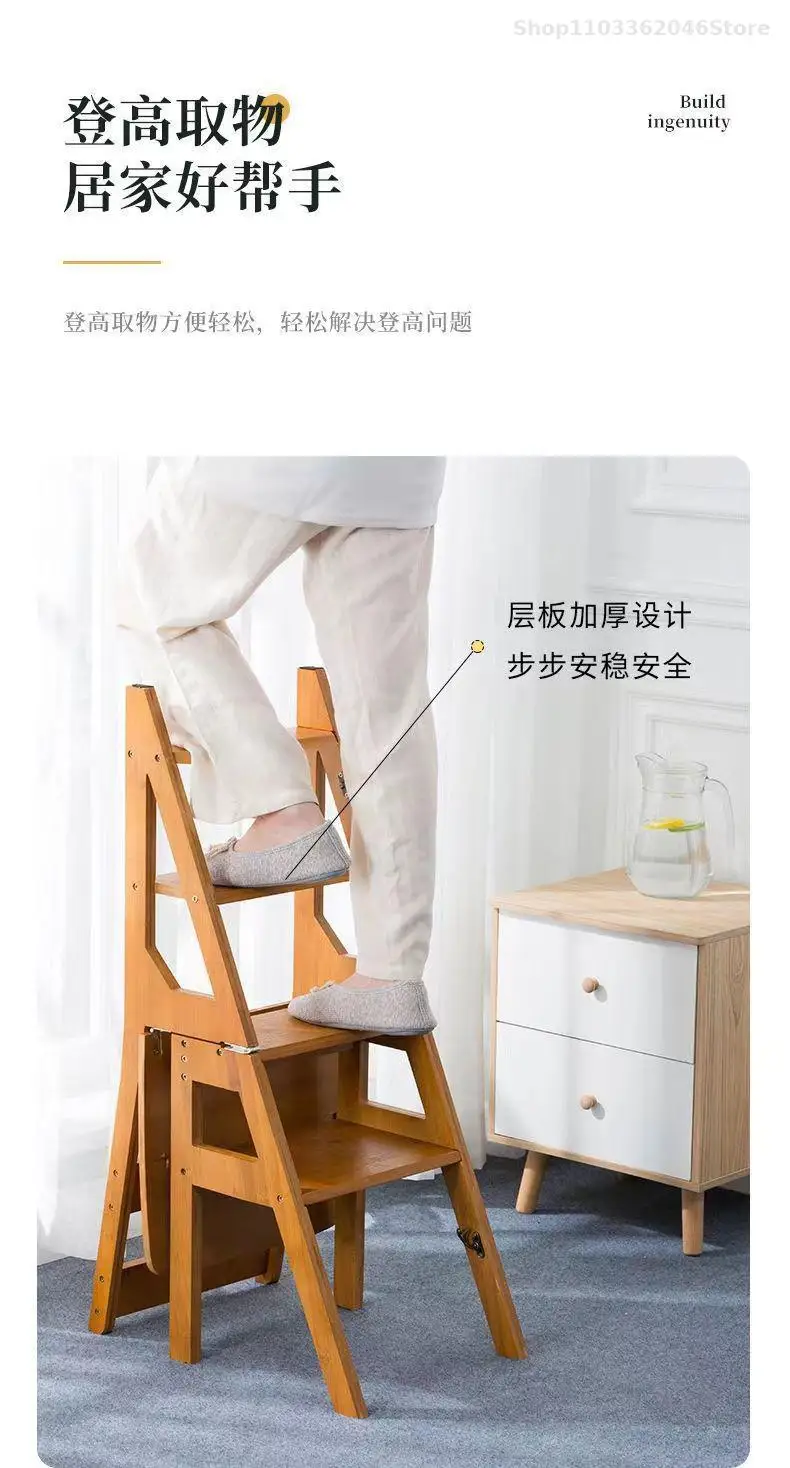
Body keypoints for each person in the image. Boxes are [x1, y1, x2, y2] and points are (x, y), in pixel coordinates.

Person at [118, 456, 445, 1035]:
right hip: (404, 466)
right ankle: (391, 974)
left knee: (150, 597)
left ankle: (282, 811)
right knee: (387, 709)